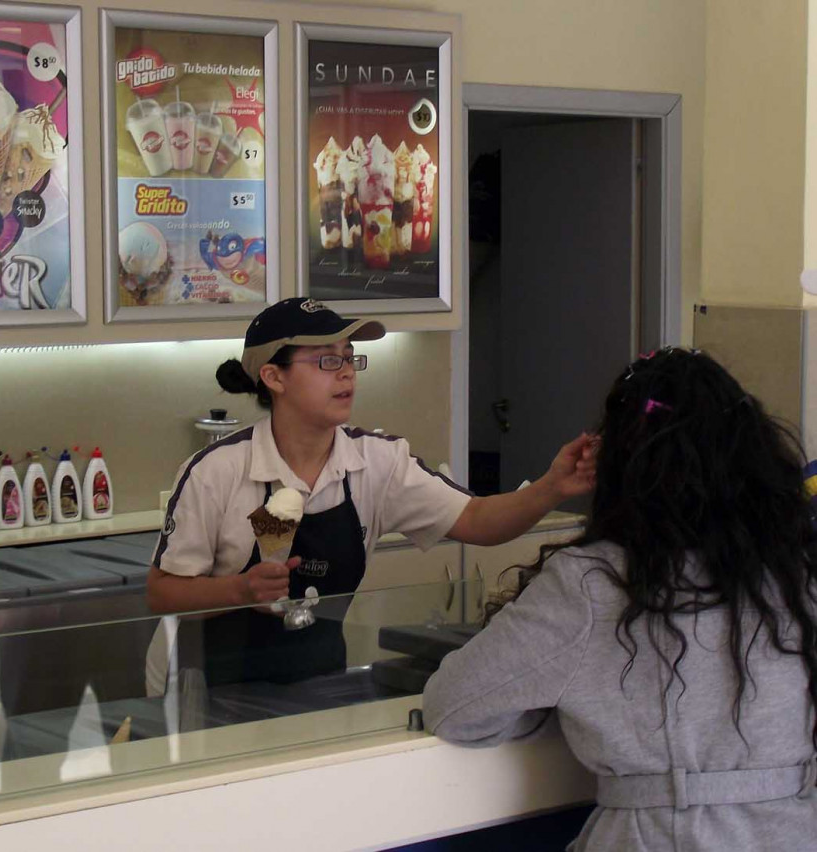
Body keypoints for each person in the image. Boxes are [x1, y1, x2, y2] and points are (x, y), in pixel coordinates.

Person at [423, 348, 817, 851]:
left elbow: (455, 706)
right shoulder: (796, 571)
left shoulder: (592, 585)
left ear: (620, 464)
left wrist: (554, 703)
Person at [146, 297, 595, 687]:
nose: (346, 373)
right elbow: (163, 594)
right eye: (326, 360)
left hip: (319, 681)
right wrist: (241, 590)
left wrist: (551, 487)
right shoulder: (216, 471)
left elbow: (478, 520)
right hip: (207, 688)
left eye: (350, 356)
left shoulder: (378, 463)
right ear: (274, 377)